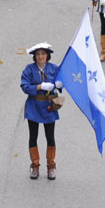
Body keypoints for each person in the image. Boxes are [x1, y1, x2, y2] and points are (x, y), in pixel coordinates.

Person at [20, 43, 62, 180]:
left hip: (49, 107)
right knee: (33, 136)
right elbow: (25, 86)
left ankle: (51, 166)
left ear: (47, 55)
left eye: (43, 54)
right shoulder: (29, 69)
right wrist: (40, 86)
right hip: (33, 107)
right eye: (38, 54)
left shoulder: (54, 68)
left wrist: (60, 84)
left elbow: (62, 80)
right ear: (35, 57)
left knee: (50, 137)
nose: (40, 57)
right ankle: (35, 166)